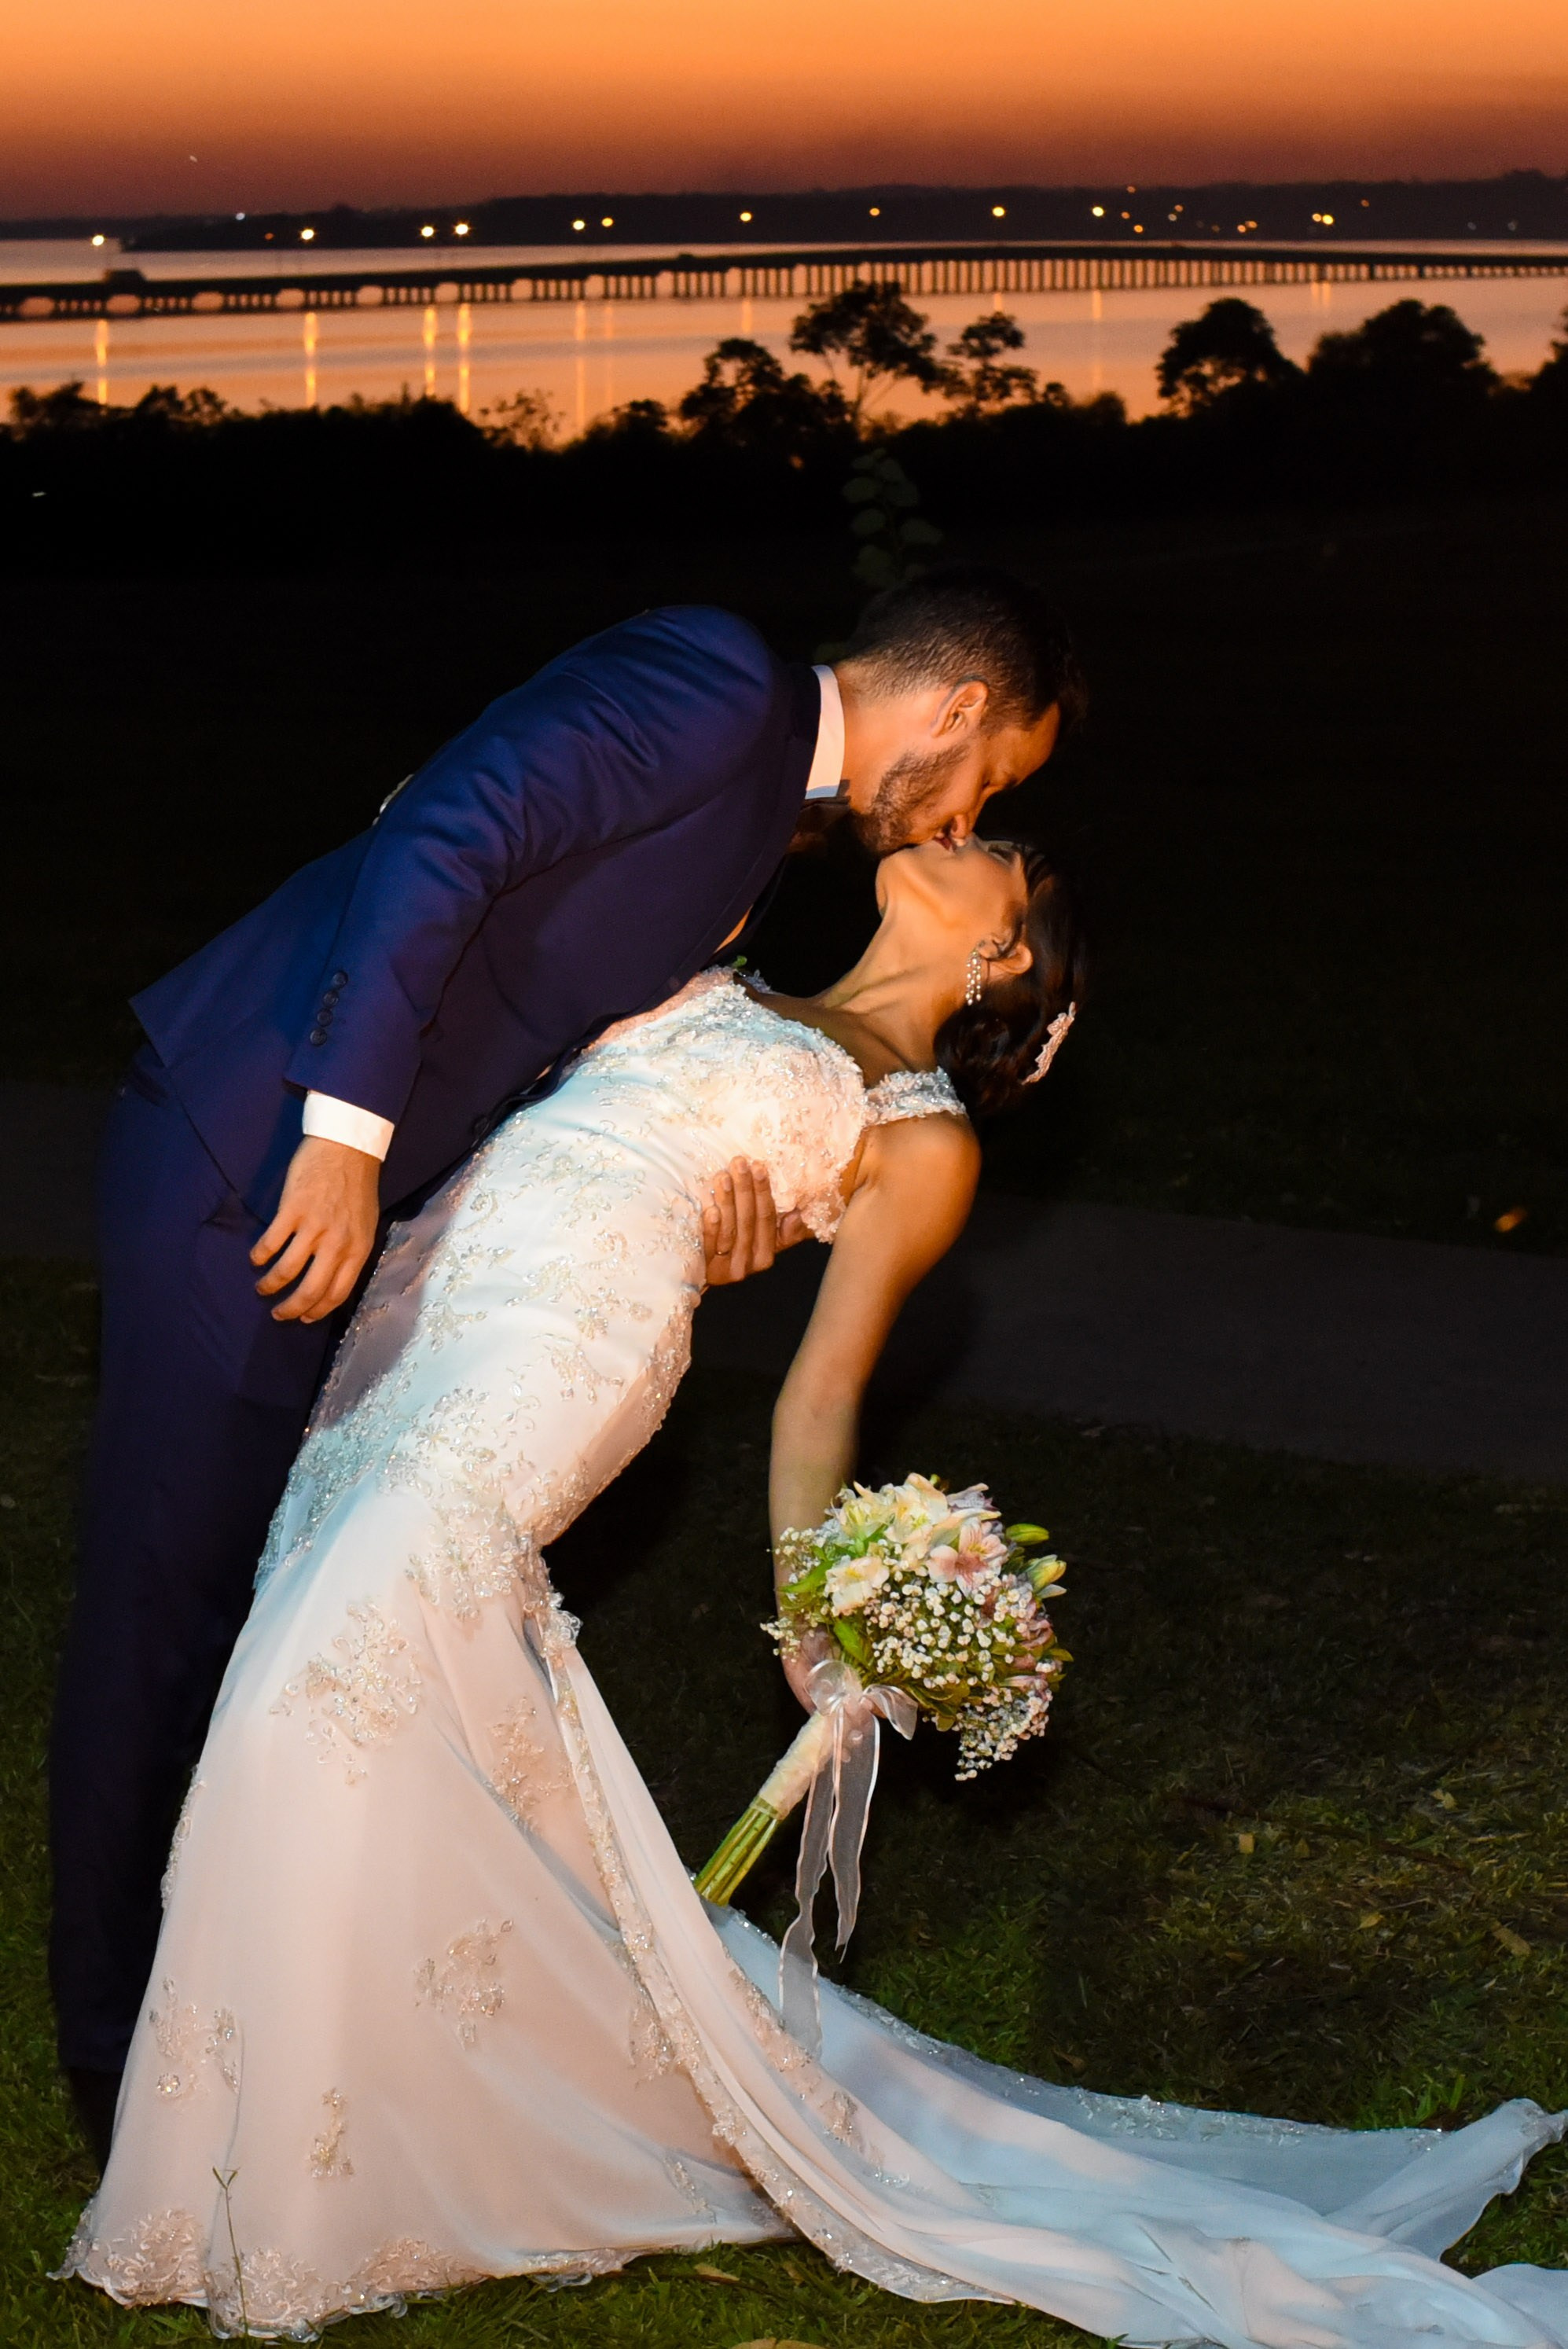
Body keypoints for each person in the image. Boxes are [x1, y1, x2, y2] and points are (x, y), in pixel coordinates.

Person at [60, 840, 1568, 2347]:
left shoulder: (925, 1142)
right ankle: (328, 2124)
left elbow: (819, 1398)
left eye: (1006, 853)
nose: (966, 833)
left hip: (557, 1368)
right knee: (322, 1707)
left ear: (1012, 959)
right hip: (439, 1332)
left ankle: (296, 2187)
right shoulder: (722, 969)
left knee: (312, 1695)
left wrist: (818, 1626)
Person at [50, 567, 1081, 2167]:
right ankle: (128, 2075)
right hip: (261, 1154)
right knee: (173, 1620)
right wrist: (342, 1132)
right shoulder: (718, 683)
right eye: (989, 783)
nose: (957, 823)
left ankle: (236, 2041)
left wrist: (705, 1216)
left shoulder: (757, 853)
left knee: (252, 1633)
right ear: (954, 712)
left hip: (457, 1292)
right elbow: (443, 825)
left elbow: (586, 1060)